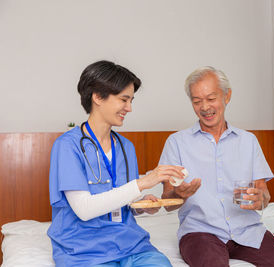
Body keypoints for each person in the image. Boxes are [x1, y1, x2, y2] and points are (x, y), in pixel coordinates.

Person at [159, 66, 274, 267]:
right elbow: (167, 202)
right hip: (200, 233)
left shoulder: (248, 141)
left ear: (227, 96)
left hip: (248, 230)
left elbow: (264, 196)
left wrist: (260, 200)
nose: (204, 107)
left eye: (211, 99)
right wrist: (179, 194)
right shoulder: (177, 143)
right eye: (197, 102)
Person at [47, 60, 185, 267]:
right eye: (124, 99)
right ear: (98, 97)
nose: (129, 108)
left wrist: (142, 206)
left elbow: (122, 201)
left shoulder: (125, 147)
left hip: (130, 245)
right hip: (83, 249)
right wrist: (144, 182)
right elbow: (84, 209)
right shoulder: (68, 146)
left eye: (131, 100)